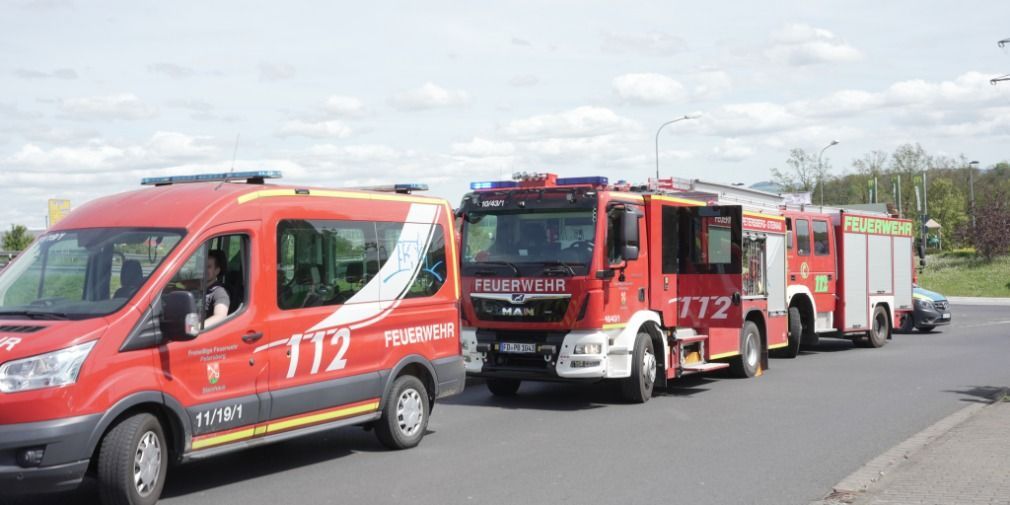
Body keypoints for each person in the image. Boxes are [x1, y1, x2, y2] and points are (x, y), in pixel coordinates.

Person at [204, 249, 230, 328]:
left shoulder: (220, 292)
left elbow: (220, 317)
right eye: (202, 265)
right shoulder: (198, 285)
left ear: (217, 271)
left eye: (208, 267)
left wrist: (195, 328)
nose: (204, 269)